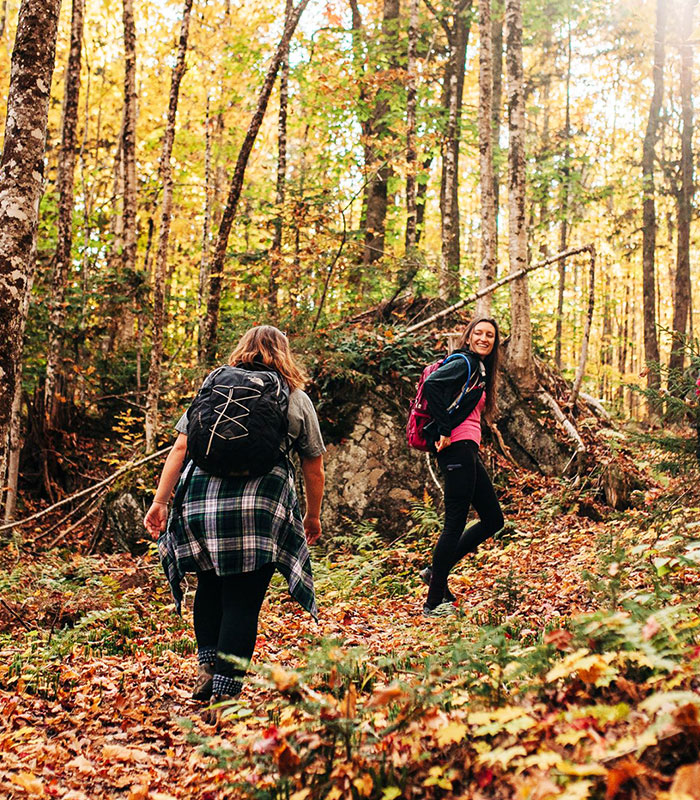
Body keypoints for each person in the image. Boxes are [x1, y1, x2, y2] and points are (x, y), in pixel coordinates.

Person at [144, 325, 325, 711]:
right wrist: (312, 516)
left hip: (201, 500)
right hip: (260, 505)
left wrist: (161, 501)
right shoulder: (295, 396)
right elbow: (313, 466)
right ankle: (226, 689)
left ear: (242, 349)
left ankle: (207, 670)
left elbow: (181, 447)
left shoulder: (214, 385)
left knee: (210, 586)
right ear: (284, 354)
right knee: (244, 597)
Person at [420, 317, 505, 617]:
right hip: (455, 447)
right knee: (455, 523)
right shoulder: (464, 362)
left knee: (494, 519)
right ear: (468, 337)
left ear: (495, 342)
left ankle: (435, 573)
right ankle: (433, 603)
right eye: (479, 333)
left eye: (490, 335)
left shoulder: (479, 368)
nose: (484, 338)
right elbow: (431, 385)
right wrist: (444, 429)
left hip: (467, 449)